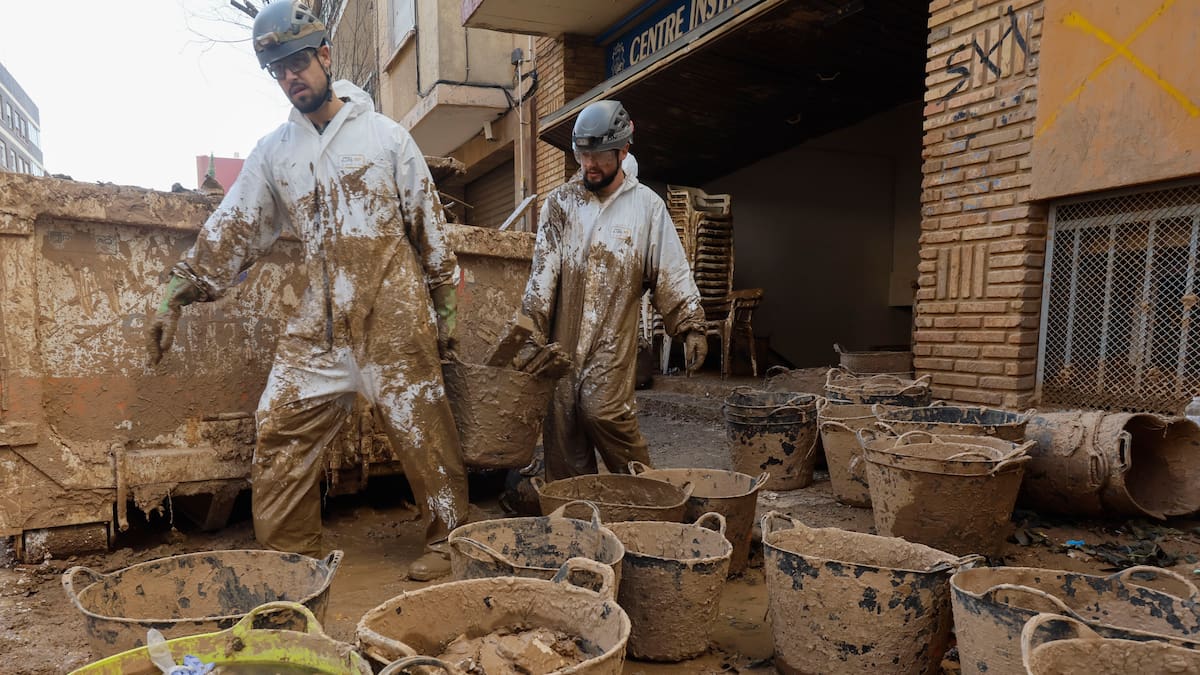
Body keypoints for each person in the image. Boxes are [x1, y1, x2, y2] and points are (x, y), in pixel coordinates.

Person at [144, 0, 467, 581]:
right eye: (278, 69)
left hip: (393, 311)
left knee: (423, 428)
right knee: (279, 424)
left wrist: (444, 308)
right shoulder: (276, 152)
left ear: (324, 55)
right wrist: (178, 293)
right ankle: (295, 553)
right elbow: (236, 224)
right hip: (321, 319)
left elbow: (428, 225)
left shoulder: (387, 138)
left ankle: (450, 540)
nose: (291, 76)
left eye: (298, 61)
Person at [521, 100, 707, 480]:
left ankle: (647, 496)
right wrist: (530, 328)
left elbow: (670, 267)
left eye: (600, 156)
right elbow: (543, 273)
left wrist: (691, 325)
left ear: (623, 151)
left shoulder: (646, 208)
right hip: (561, 339)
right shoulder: (560, 204)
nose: (589, 164)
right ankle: (575, 520)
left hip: (612, 336)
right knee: (564, 428)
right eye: (582, 154)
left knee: (602, 410)